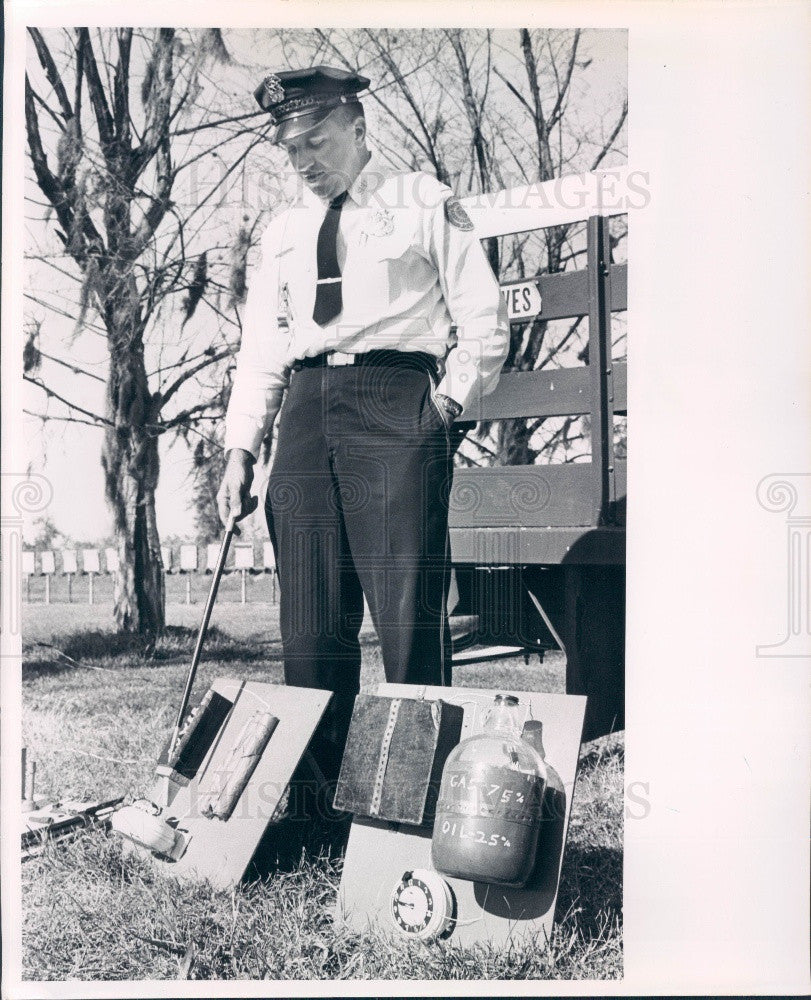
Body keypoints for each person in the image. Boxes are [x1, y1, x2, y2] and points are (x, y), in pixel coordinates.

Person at [218, 65, 509, 780]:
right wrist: (238, 450)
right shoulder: (283, 231)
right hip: (306, 408)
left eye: (317, 141)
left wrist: (443, 408)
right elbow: (260, 350)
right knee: (311, 621)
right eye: (291, 150)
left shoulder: (421, 200)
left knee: (407, 614)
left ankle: (416, 797)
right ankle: (317, 809)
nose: (305, 162)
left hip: (394, 400)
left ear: (356, 128)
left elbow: (482, 318)